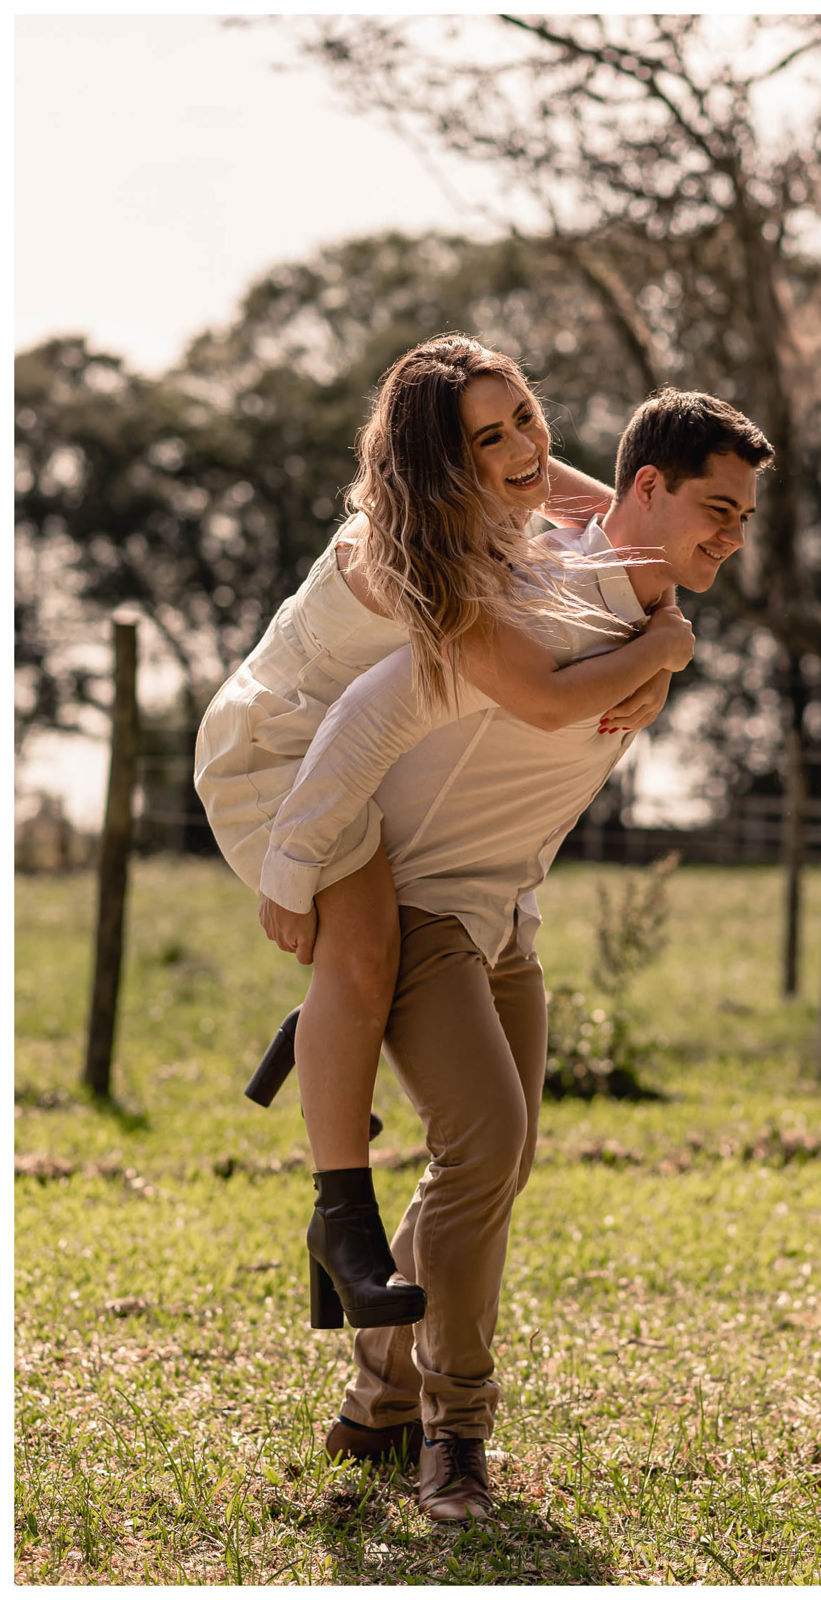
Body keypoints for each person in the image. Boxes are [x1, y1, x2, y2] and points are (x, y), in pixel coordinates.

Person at [255, 388, 774, 1522]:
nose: (731, 535)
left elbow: (592, 508)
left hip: (503, 924)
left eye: (743, 516)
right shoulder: (528, 598)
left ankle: (376, 1402)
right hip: (416, 915)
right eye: (716, 508)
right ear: (649, 490)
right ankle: (458, 1438)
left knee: (495, 1167)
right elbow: (364, 720)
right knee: (482, 1145)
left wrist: (665, 643)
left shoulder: (646, 613)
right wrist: (292, 876)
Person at [193, 336, 694, 1335]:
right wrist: (663, 649)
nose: (523, 448)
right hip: (277, 757)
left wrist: (658, 633)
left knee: (371, 958)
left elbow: (628, 532)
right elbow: (543, 702)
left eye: (525, 418)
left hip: (353, 765)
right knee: (367, 944)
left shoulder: (514, 475)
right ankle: (342, 1219)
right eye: (488, 438)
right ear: (437, 462)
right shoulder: (412, 560)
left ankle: (338, 1026)